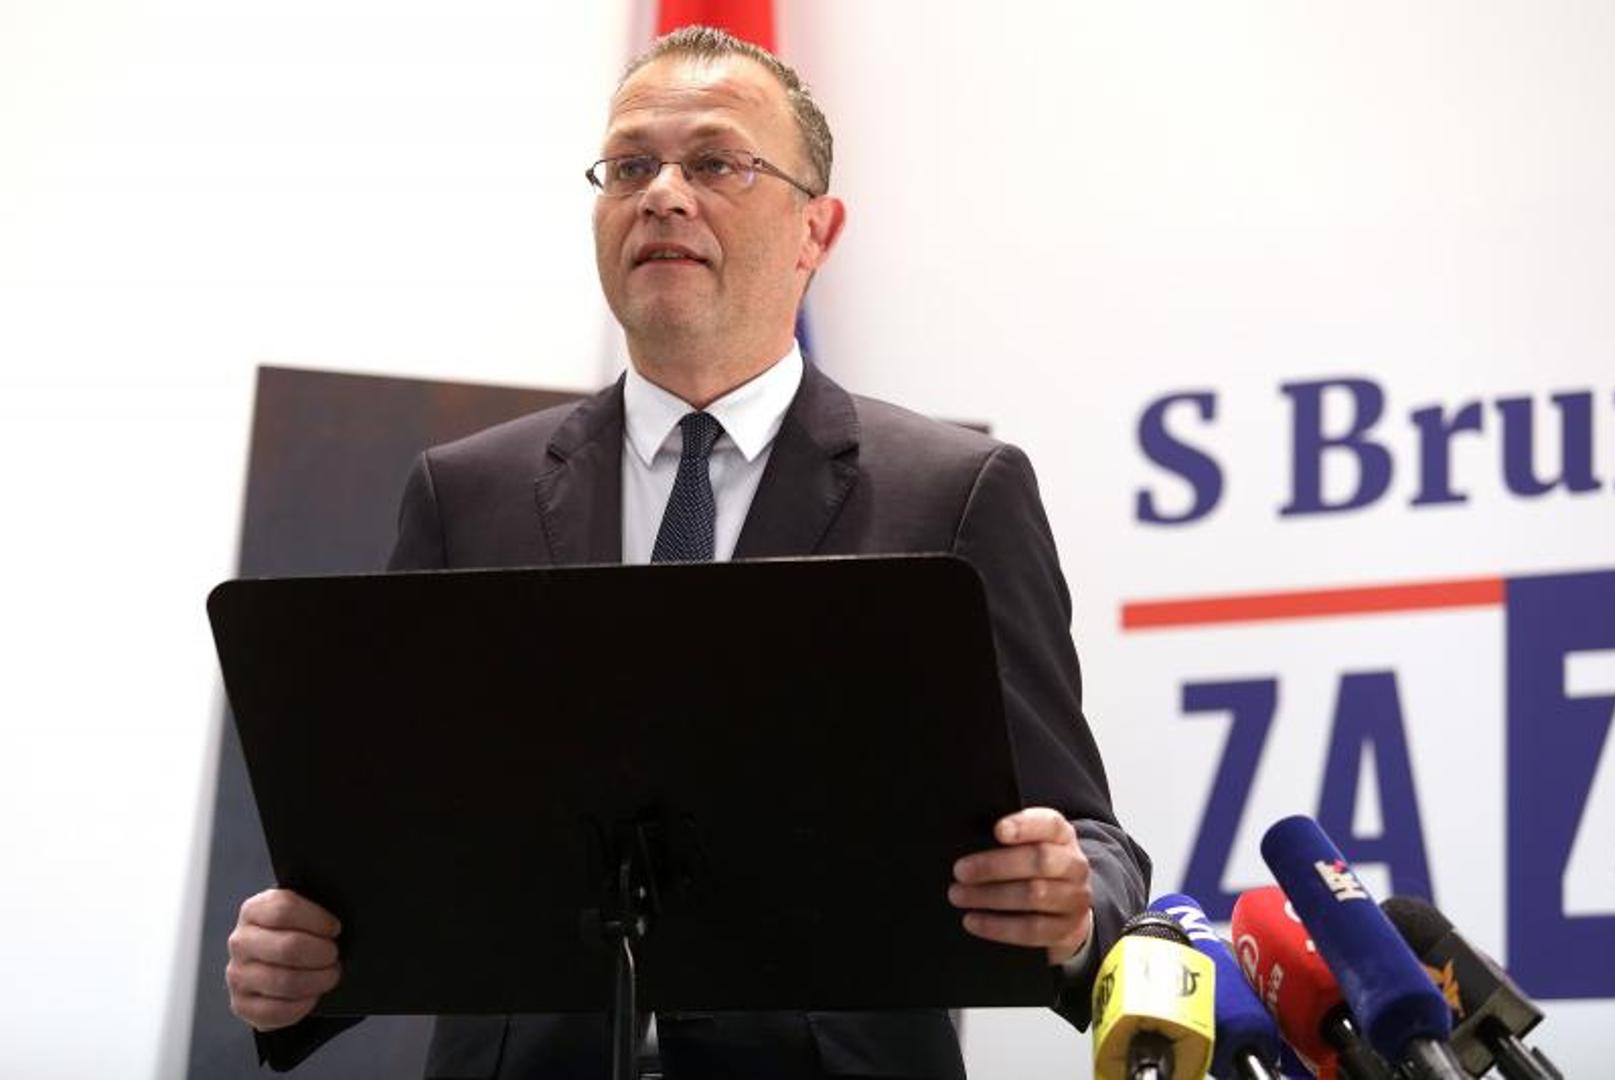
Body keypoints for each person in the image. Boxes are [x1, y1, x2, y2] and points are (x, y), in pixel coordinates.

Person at [225, 25, 1150, 1080]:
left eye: (715, 163)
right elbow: (390, 851)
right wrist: (298, 969)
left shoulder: (954, 492)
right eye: (629, 167)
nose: (663, 194)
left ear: (815, 230)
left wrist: (1069, 907)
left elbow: (1092, 843)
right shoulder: (463, 491)